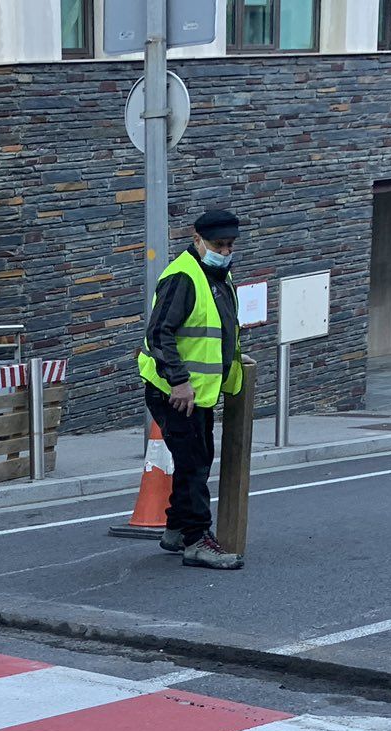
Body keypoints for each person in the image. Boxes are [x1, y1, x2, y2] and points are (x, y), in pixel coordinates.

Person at [139, 208, 248, 570]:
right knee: (193, 464)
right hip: (175, 391)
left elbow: (216, 332)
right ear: (197, 239)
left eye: (230, 244)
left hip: (195, 391)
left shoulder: (216, 274)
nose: (226, 250)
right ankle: (197, 540)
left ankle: (176, 530)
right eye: (219, 244)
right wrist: (180, 381)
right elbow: (159, 333)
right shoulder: (183, 277)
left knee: (196, 461)